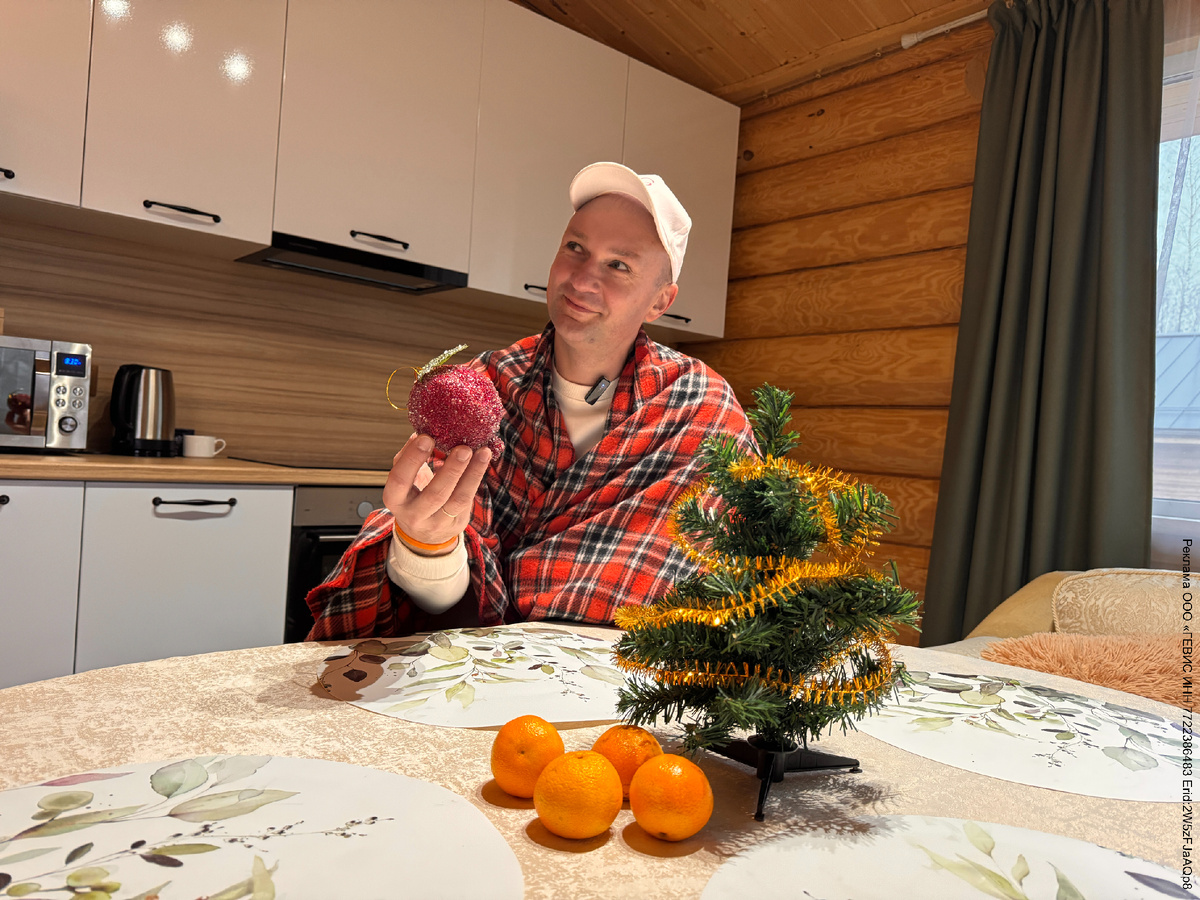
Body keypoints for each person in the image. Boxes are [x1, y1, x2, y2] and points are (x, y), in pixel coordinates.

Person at [306, 161, 754, 640]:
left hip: (634, 674)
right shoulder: (480, 388)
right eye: (575, 248)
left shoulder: (702, 409)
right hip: (491, 669)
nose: (582, 279)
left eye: (618, 265)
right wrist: (427, 545)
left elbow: (732, 591)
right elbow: (441, 602)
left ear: (661, 301)